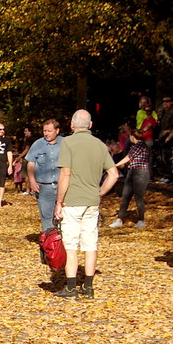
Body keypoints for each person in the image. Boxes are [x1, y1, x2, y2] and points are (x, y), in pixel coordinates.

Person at [52, 110, 118, 298]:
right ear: (90, 125)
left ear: (72, 125)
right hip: (92, 201)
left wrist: (59, 201)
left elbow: (65, 174)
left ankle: (71, 286)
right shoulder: (100, 145)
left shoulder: (68, 142)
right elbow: (114, 174)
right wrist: (100, 192)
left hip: (72, 201)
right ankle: (88, 287)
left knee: (71, 244)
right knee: (90, 244)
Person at [109, 121, 153, 228]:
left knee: (139, 197)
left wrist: (114, 165)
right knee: (126, 196)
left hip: (140, 173)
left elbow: (128, 158)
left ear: (133, 137)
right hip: (132, 172)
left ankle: (141, 220)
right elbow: (129, 160)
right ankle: (120, 219)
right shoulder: (137, 147)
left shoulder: (139, 146)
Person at [24, 118, 63, 233]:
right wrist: (32, 181)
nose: (46, 133)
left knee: (64, 217)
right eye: (44, 131)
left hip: (63, 186)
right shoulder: (38, 144)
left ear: (57, 130)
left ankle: (63, 245)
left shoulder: (65, 143)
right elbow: (30, 163)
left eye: (49, 131)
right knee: (47, 219)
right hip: (44, 188)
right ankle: (49, 245)